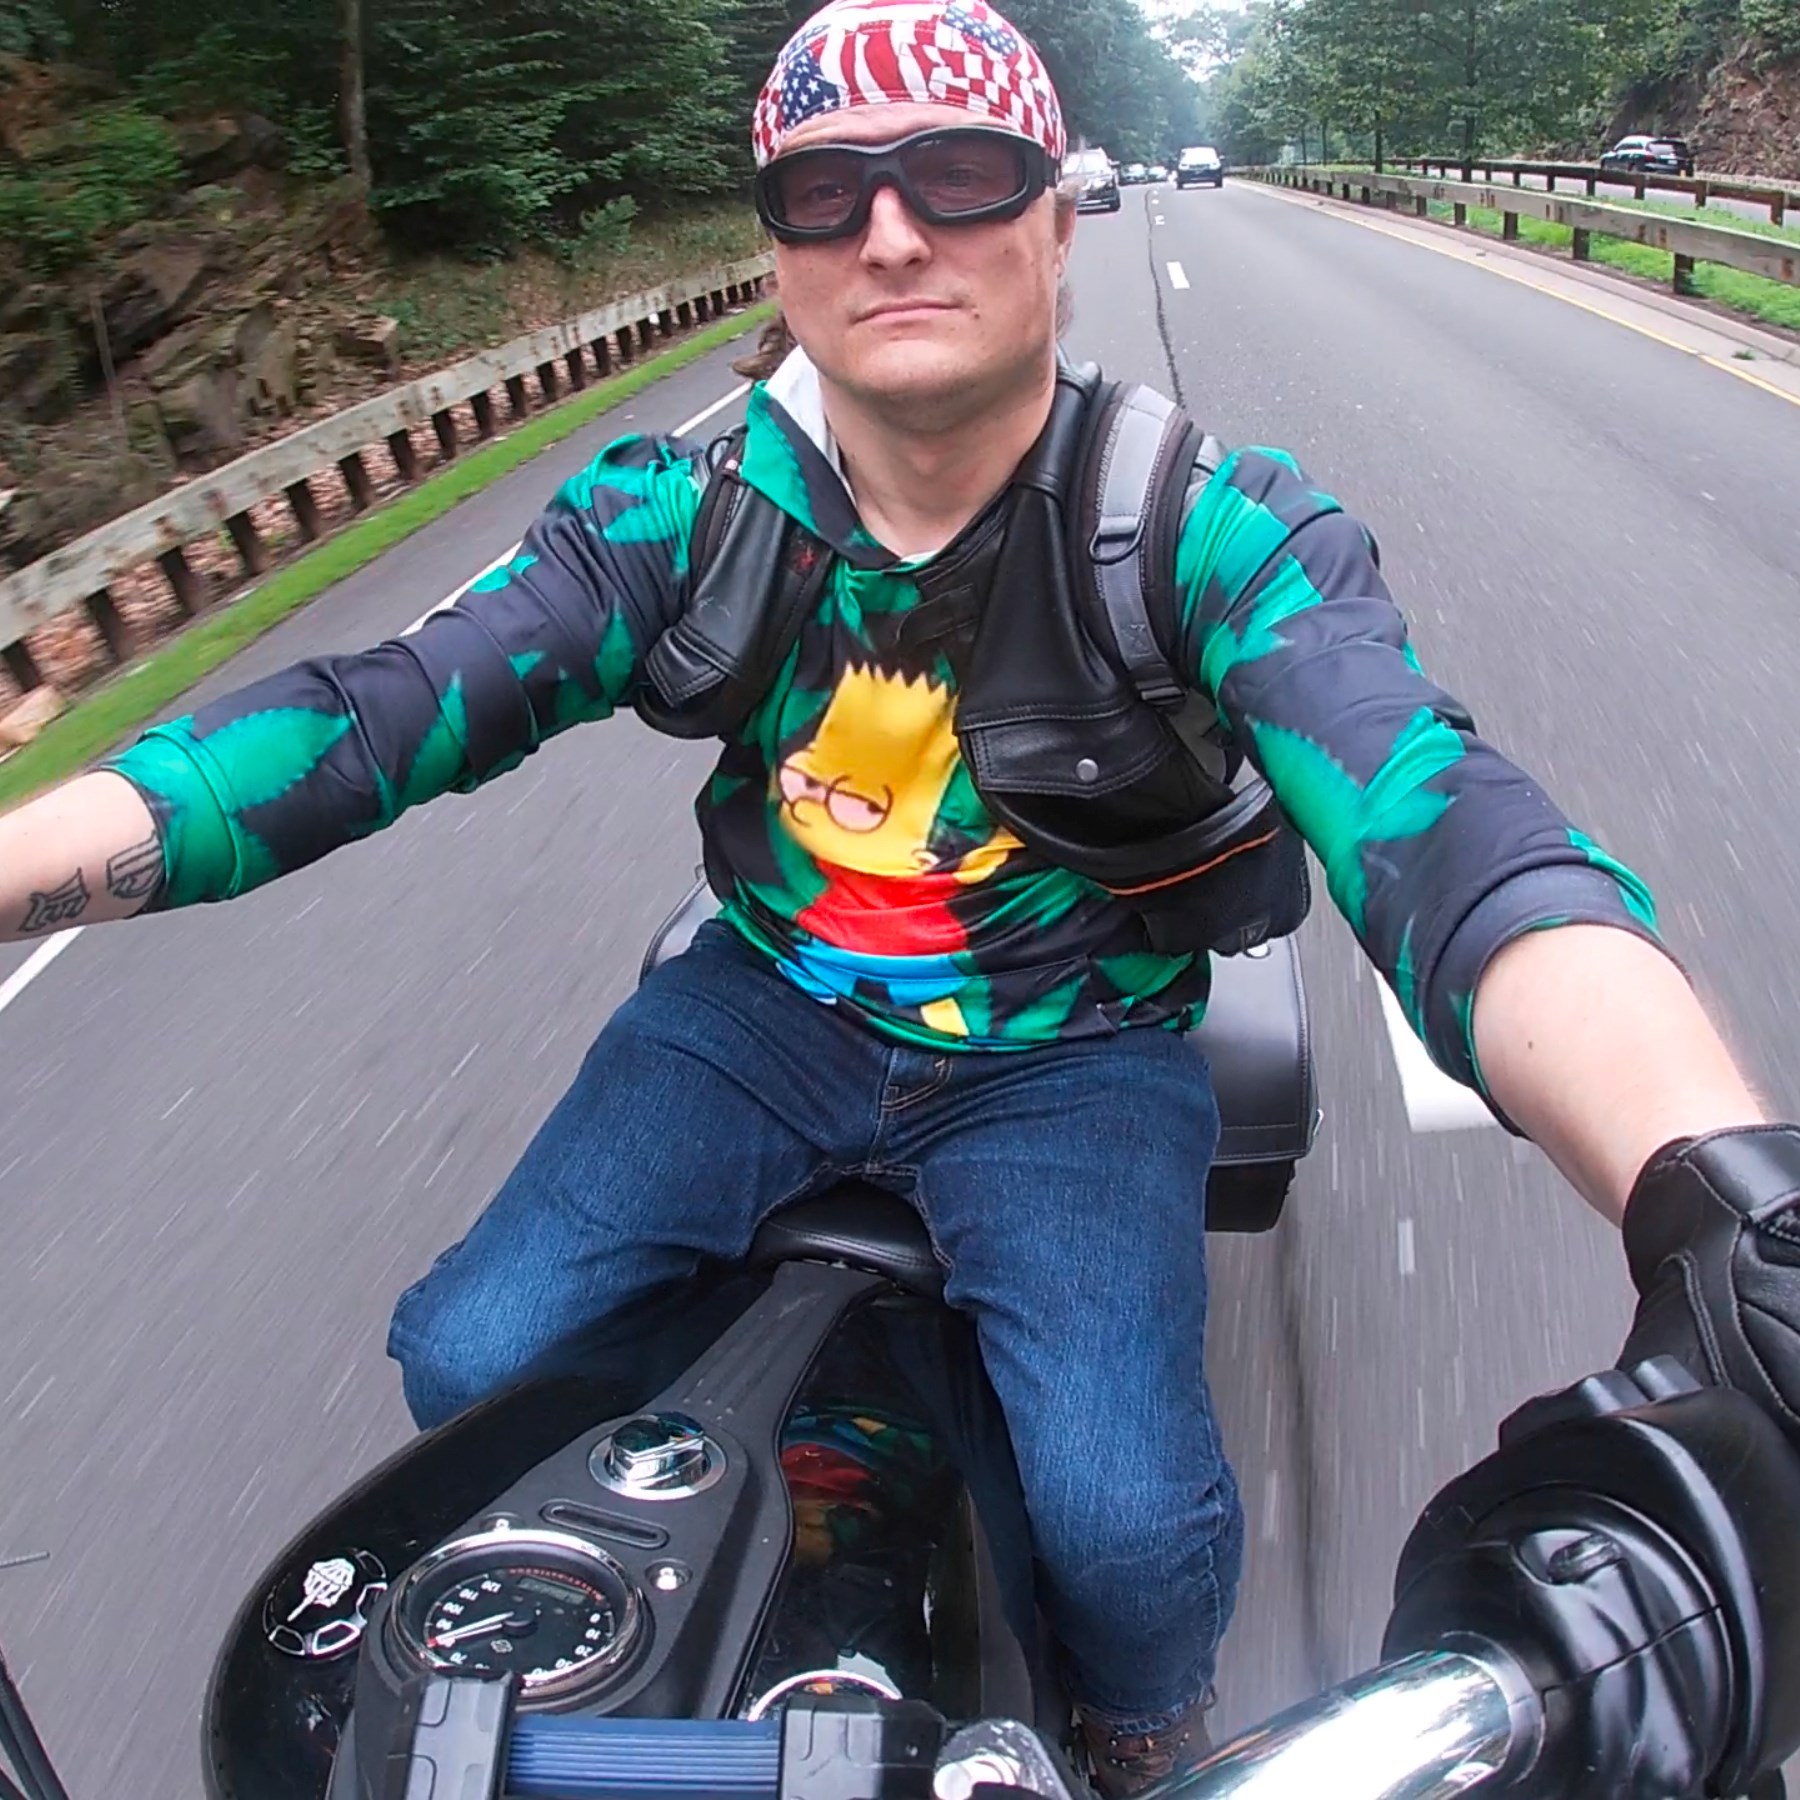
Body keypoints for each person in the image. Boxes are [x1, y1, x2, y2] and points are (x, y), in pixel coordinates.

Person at [4, 1, 1800, 1790]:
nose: (890, 231)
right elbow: (379, 716)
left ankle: (1141, 1732)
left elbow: (1445, 831)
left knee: (1128, 1530)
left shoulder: (1200, 526)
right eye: (827, 191)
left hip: (1073, 1042)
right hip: (765, 1007)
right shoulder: (687, 511)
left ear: (1056, 218)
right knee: (472, 1357)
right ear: (779, 255)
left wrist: (1717, 1193)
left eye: (958, 172)